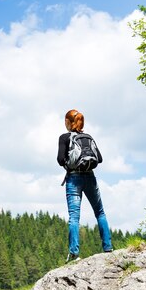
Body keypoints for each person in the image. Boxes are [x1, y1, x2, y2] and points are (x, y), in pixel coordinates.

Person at [57, 109, 113, 262]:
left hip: (73, 179)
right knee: (100, 213)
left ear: (68, 122)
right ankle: (108, 248)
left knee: (74, 217)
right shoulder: (88, 137)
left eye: (65, 121)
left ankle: (74, 252)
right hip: (90, 178)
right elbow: (99, 159)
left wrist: (70, 163)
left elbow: (60, 159)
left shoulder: (64, 137)